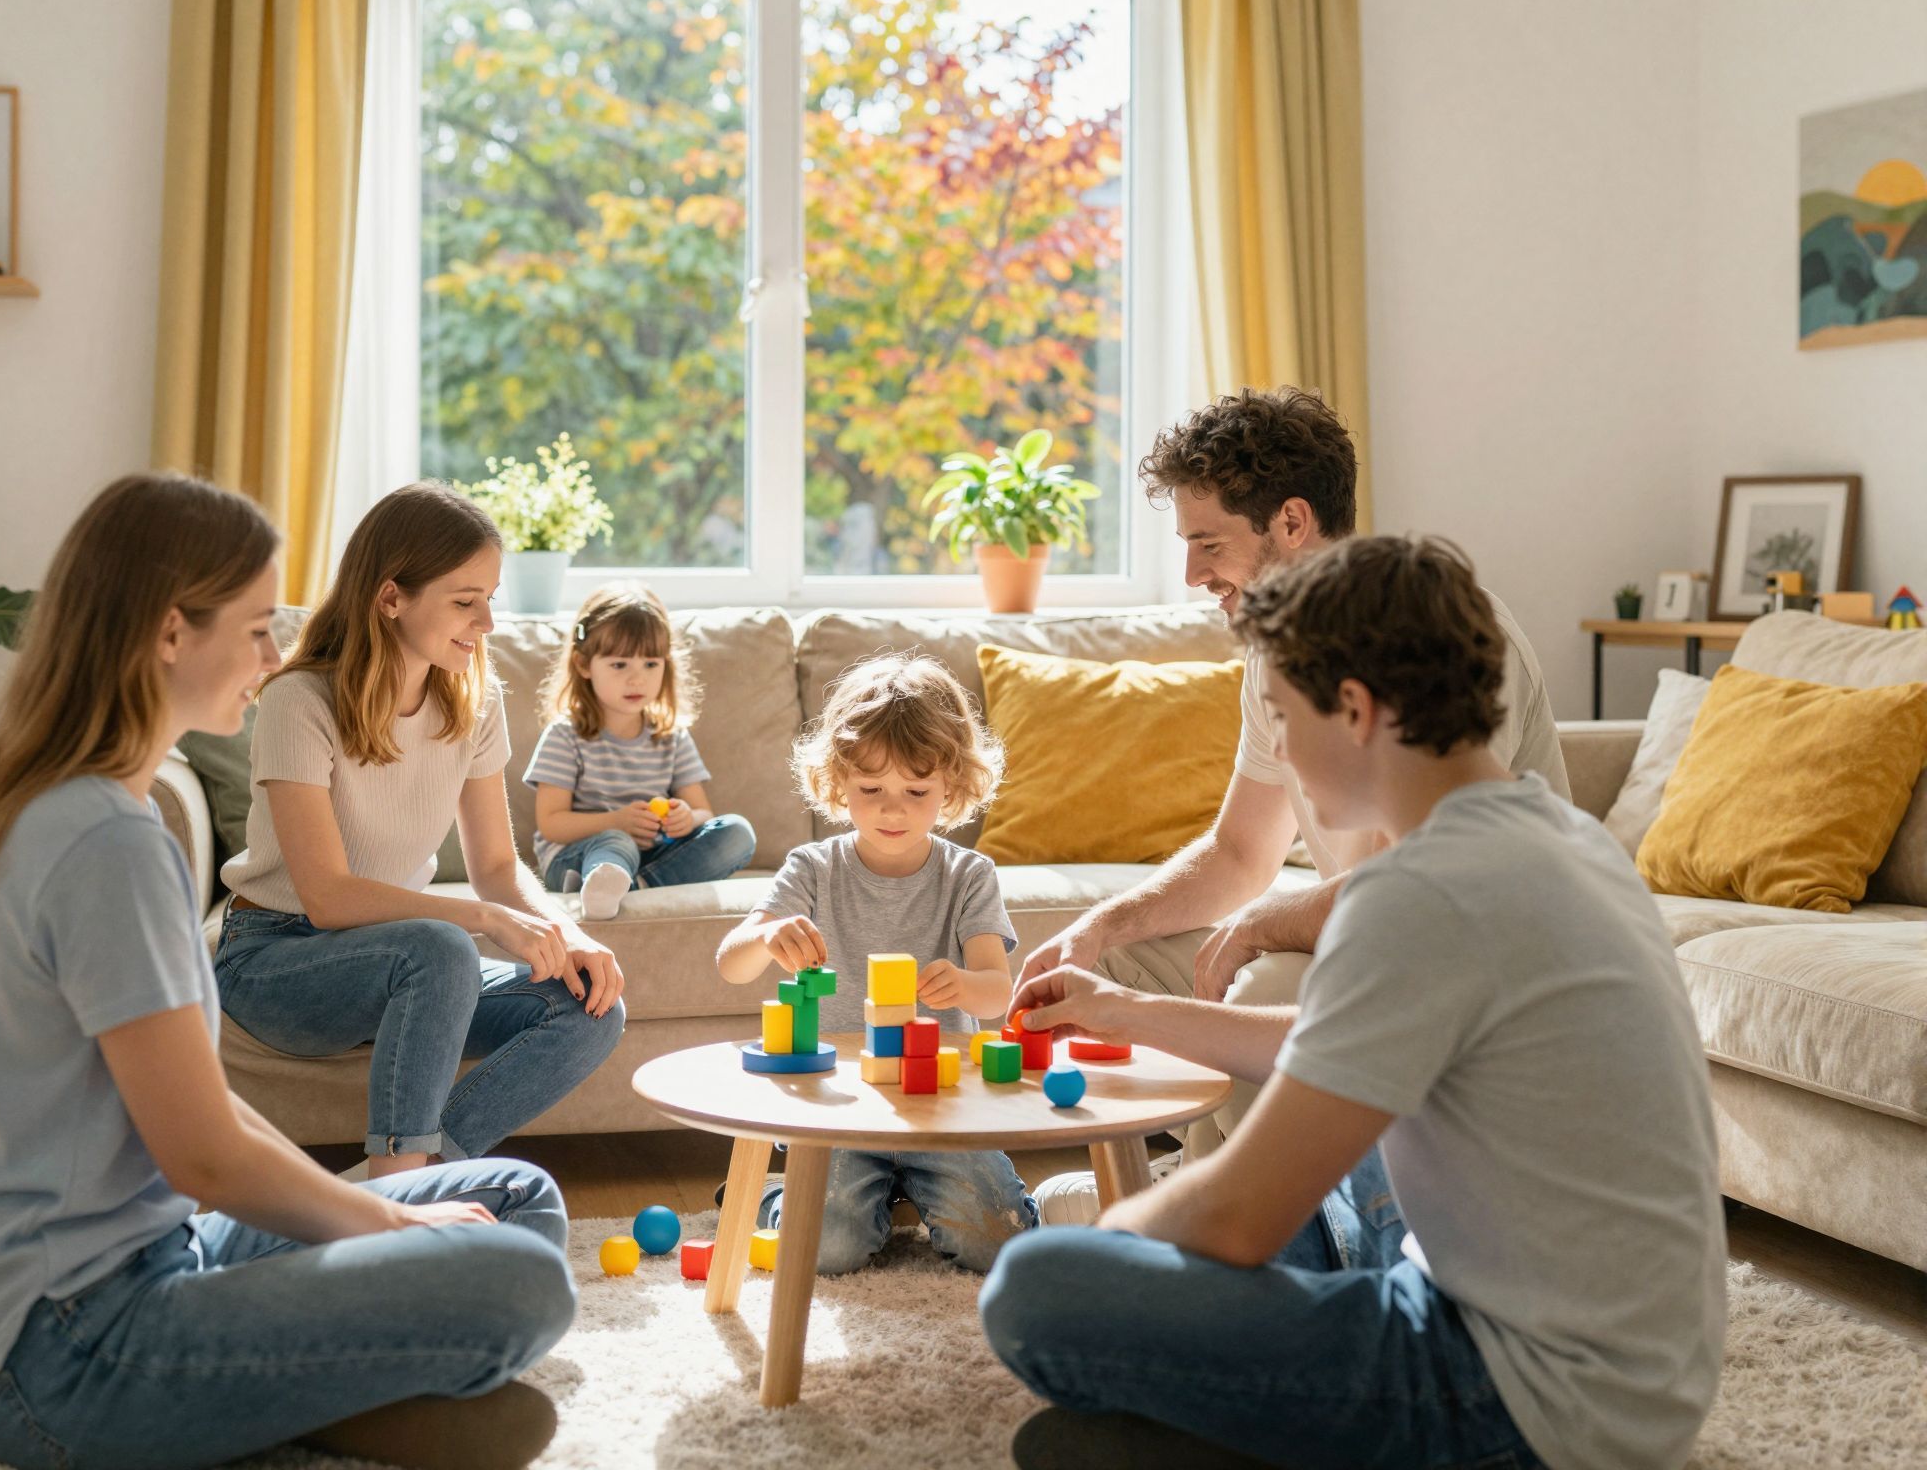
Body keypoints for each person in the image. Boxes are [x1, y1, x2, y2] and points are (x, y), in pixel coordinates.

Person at [980, 536, 1725, 1470]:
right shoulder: (1560, 837)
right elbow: (1333, 1044)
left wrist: (1118, 1243)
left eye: (1284, 715)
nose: (1280, 747)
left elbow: (1235, 1220)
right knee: (1302, 1183)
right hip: (1643, 1382)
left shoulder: (1419, 890)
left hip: (1530, 1400)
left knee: (1037, 1290)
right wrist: (1125, 1011)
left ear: (1357, 710)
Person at [0, 475, 577, 1470]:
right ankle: (283, 1400)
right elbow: (206, 1159)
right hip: (58, 1346)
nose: (273, 659)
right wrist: (392, 1220)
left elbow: (203, 1116)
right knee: (524, 1285)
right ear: (172, 631)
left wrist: (394, 1224)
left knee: (517, 1200)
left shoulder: (96, 811)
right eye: (259, 628)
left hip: (152, 1257)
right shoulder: (105, 843)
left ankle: (269, 1395)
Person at [1018, 386, 1569, 1216]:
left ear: (1292, 522)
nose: (1195, 575)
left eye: (1209, 544)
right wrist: (1101, 927)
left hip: (1437, 967)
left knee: (1263, 973)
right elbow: (1243, 854)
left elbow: (1414, 895)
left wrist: (1260, 925)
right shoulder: (1274, 650)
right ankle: (1163, 1188)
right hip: (1356, 939)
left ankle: (1232, 1213)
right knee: (1107, 964)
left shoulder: (1434, 637)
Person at [214, 482, 624, 1181]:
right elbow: (329, 898)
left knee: (589, 1008)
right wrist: (484, 919)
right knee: (439, 947)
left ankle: (411, 1178)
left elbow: (496, 862)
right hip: (278, 962)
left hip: (410, 966)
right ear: (390, 597)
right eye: (466, 601)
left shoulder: (474, 700)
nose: (488, 622)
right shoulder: (298, 701)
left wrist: (574, 937)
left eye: (490, 597)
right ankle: (399, 1182)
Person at [714, 654, 1036, 1272]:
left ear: (953, 786)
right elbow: (732, 964)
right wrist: (767, 934)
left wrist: (966, 985)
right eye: (871, 791)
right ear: (838, 783)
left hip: (940, 1102)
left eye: (916, 792)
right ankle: (780, 1196)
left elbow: (999, 993)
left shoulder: (969, 875)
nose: (893, 811)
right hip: (840, 1107)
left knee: (999, 1243)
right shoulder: (813, 868)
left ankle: (913, 1190)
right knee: (826, 1250)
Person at [527, 581, 756, 920]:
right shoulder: (565, 735)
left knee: (737, 832)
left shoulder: (671, 736)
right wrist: (617, 822)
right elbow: (551, 824)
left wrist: (685, 819)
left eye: (651, 664)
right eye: (620, 665)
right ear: (584, 665)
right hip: (579, 858)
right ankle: (608, 881)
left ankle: (635, 886)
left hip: (653, 855)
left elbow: (703, 813)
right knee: (615, 842)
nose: (637, 680)